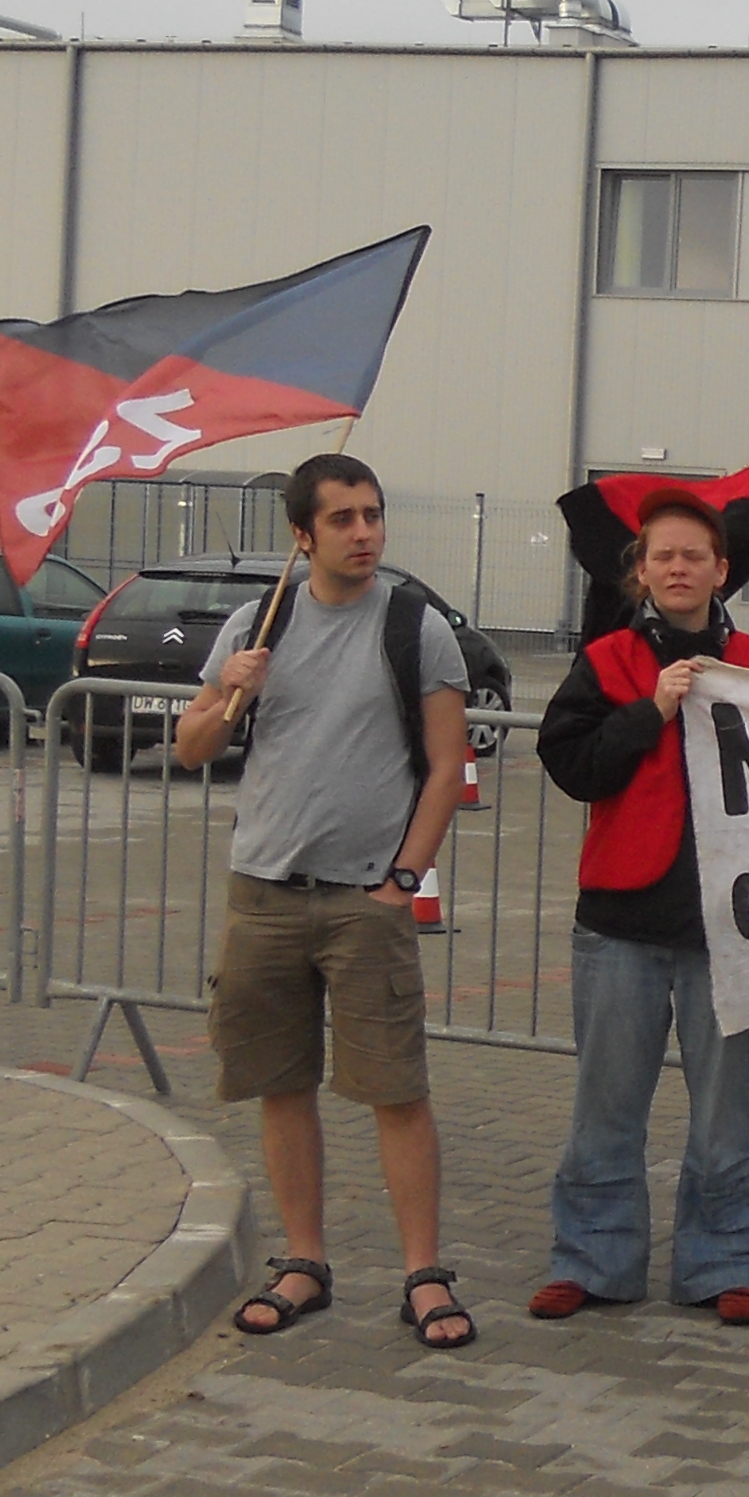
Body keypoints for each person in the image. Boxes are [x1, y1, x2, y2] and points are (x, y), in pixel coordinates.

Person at [180, 453, 477, 1352]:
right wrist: (234, 687)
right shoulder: (257, 621)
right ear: (301, 534)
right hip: (265, 893)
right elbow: (192, 744)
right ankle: (303, 1261)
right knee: (281, 1084)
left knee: (395, 1091)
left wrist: (402, 882)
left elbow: (445, 767)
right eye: (343, 519)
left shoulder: (416, 627)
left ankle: (424, 1274)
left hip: (364, 901)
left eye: (373, 515)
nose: (364, 533)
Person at [528, 486, 749, 1328]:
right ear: (640, 572)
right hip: (621, 924)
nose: (678, 568)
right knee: (606, 1107)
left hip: (728, 924)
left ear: (721, 569)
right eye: (662, 555)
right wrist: (652, 714)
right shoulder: (607, 660)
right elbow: (573, 766)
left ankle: (726, 1264)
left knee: (724, 1115)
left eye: (694, 554)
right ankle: (593, 1259)